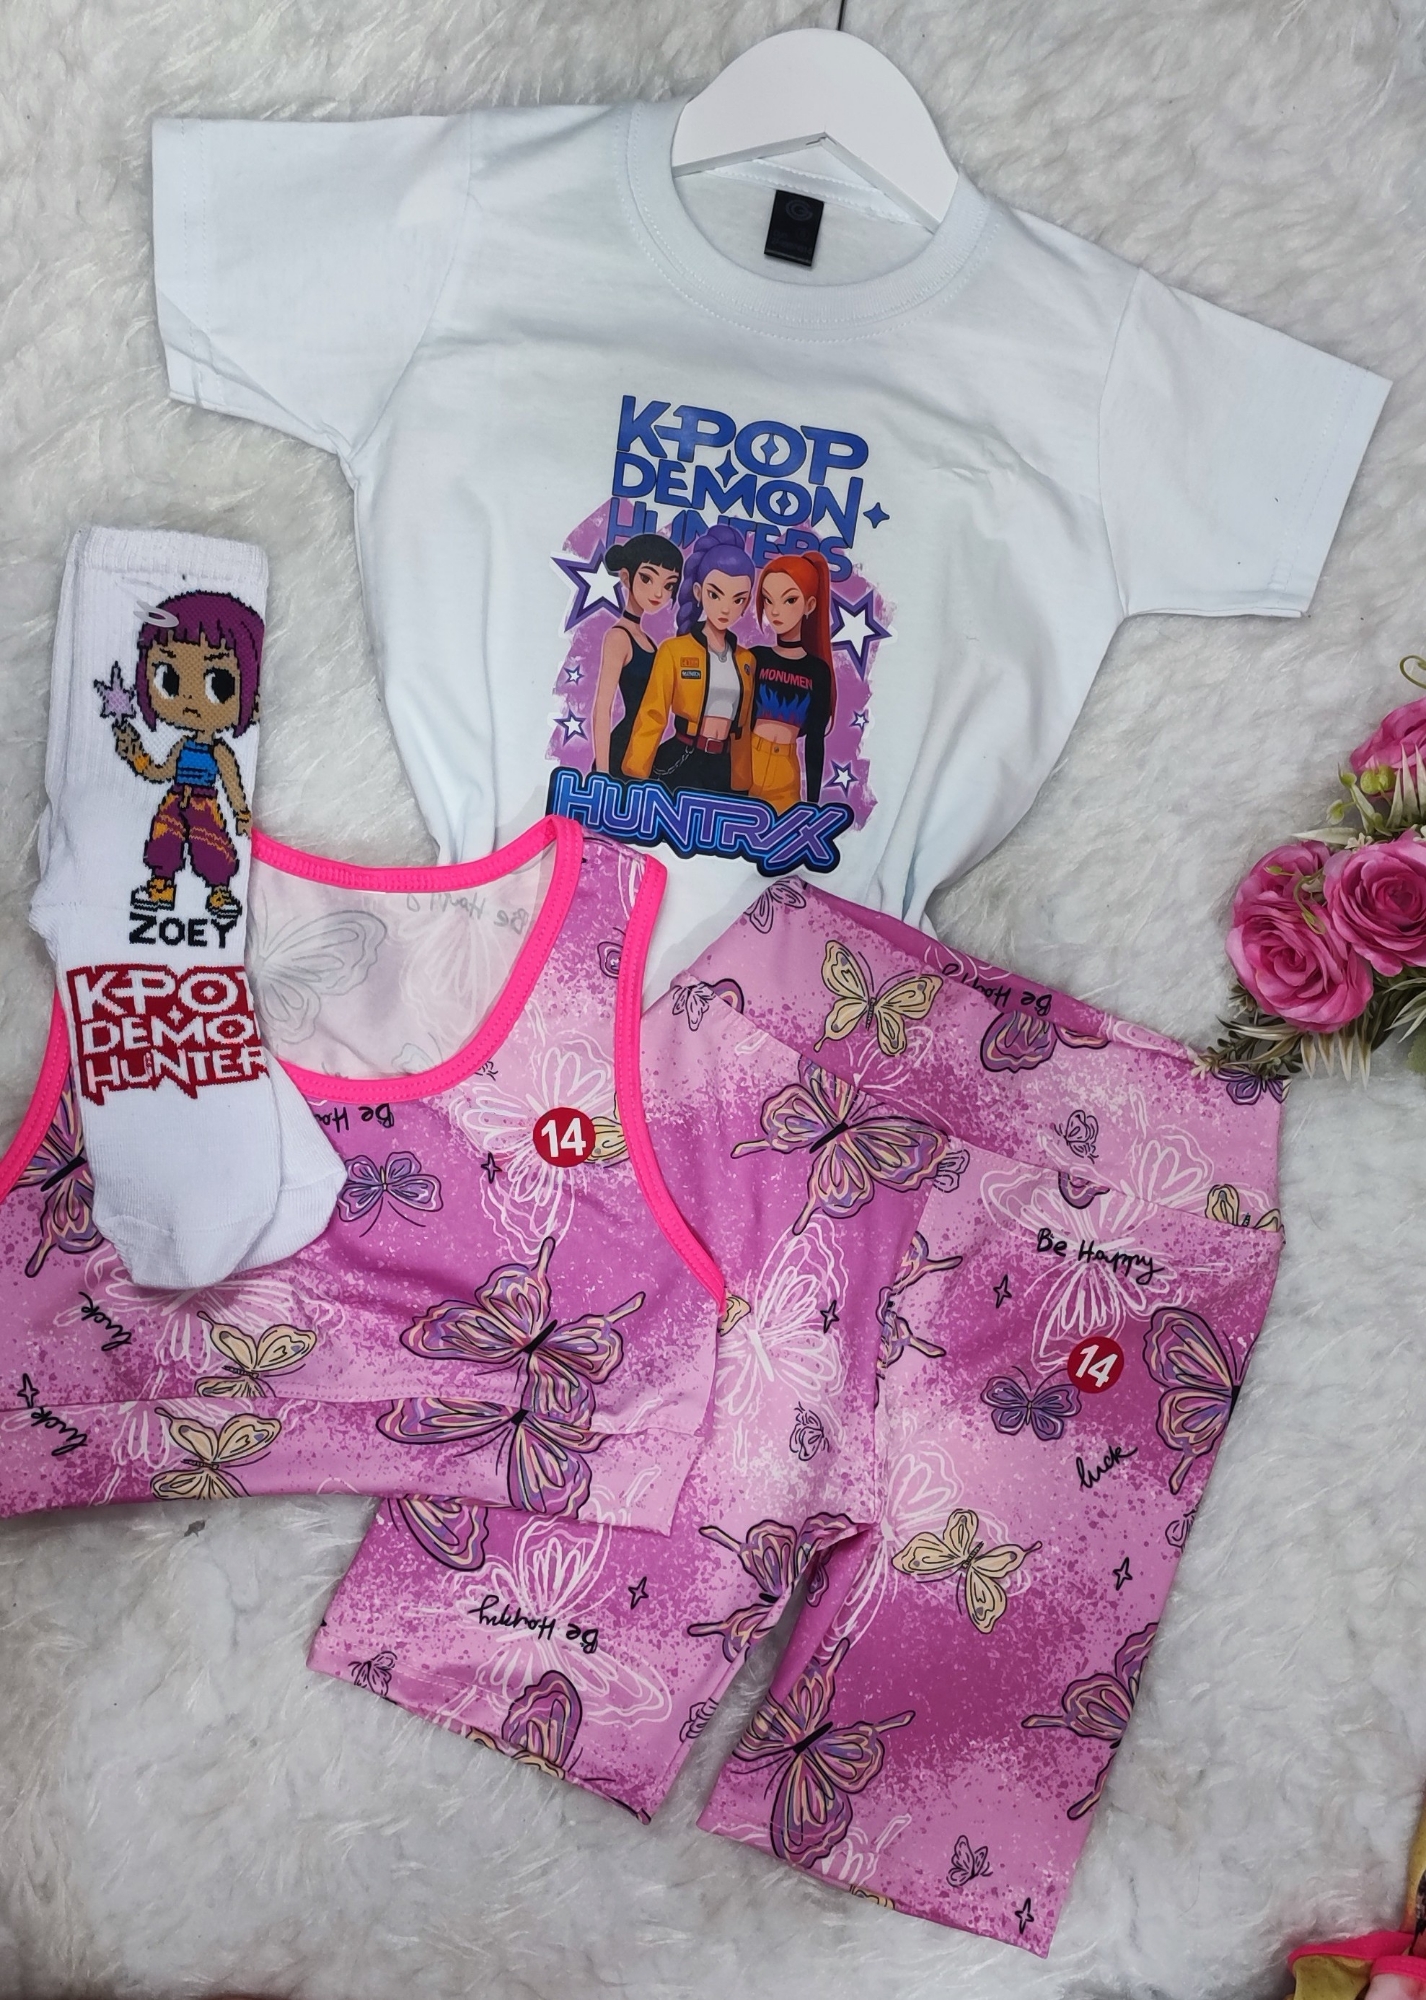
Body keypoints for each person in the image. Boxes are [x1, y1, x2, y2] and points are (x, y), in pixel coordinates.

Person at [108, 591, 263, 918]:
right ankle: (161, 885)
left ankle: (220, 891)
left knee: (211, 845)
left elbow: (233, 785)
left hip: (205, 803)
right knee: (164, 839)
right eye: (169, 679)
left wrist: (241, 814)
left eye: (218, 684)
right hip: (175, 799)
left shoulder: (219, 751)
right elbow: (161, 771)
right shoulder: (180, 746)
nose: (190, 701)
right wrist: (136, 755)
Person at [622, 524, 757, 796]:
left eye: (738, 599)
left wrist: (742, 782)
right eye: (715, 594)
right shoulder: (675, 650)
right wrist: (634, 776)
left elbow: (743, 728)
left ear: (746, 603)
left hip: (723, 767)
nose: (725, 608)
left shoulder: (746, 661)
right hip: (681, 758)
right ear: (698, 591)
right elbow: (653, 714)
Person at [747, 551, 836, 812]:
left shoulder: (817, 670)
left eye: (790, 600)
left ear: (810, 605)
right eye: (768, 600)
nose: (775, 611)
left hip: (786, 773)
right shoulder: (755, 657)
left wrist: (813, 804)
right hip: (746, 761)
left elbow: (815, 740)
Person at [589, 533, 682, 778]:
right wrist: (603, 773)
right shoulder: (618, 637)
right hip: (621, 752)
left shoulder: (649, 641)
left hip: (644, 748)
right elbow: (602, 708)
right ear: (625, 577)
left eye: (668, 585)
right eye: (647, 578)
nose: (658, 593)